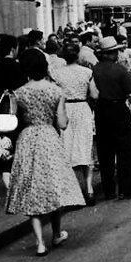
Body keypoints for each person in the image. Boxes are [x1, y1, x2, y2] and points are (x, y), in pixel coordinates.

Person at [5, 50, 85, 256]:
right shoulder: (56, 91)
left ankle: (40, 242)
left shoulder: (18, 92)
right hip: (49, 139)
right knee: (53, 187)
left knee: (32, 188)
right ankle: (56, 234)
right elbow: (62, 123)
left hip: (28, 139)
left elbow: (13, 120)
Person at [90, 35, 131, 201]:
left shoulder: (94, 70)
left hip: (101, 111)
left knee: (105, 152)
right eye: (115, 52)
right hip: (119, 110)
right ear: (110, 54)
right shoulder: (120, 70)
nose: (117, 54)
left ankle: (109, 191)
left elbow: (92, 95)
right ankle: (126, 190)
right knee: (124, 151)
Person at [50, 42, 97, 205]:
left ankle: (74, 191)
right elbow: (95, 94)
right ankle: (89, 189)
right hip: (82, 108)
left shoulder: (57, 74)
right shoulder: (87, 72)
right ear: (77, 55)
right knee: (85, 146)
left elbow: (54, 95)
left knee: (67, 147)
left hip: (65, 109)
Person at [0, 34, 26, 191]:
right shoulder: (18, 67)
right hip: (16, 112)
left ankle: (7, 179)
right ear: (13, 49)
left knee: (1, 145)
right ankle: (16, 182)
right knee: (16, 144)